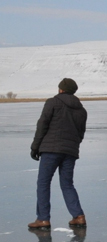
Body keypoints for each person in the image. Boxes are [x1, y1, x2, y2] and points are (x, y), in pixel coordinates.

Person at [28, 78, 88, 229]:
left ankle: (43, 219)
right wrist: (72, 146)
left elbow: (42, 125)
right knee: (67, 184)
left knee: (43, 183)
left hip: (51, 150)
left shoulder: (52, 102)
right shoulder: (81, 110)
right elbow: (81, 133)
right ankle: (78, 216)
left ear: (61, 89)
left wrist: (35, 147)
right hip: (70, 151)